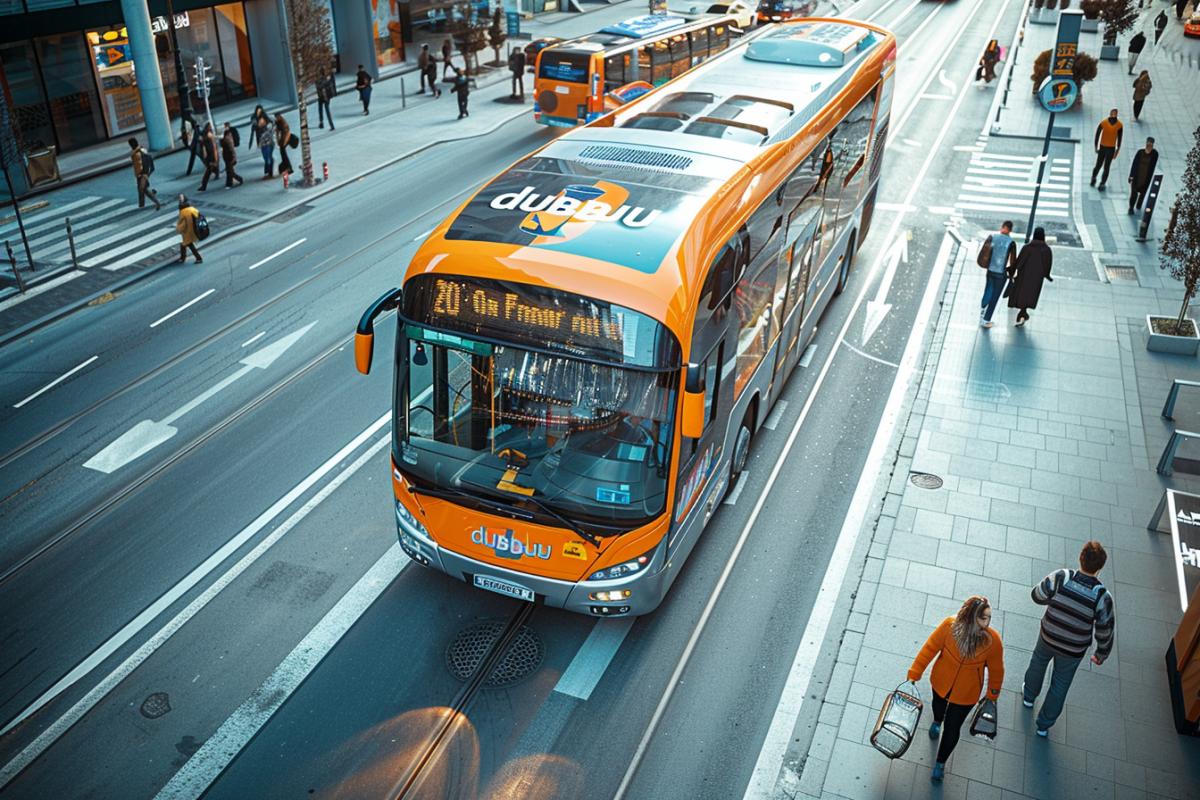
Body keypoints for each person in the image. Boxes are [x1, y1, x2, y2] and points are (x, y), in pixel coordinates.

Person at [1023, 541, 1115, 737]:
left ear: (1080, 558)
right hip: (1073, 649)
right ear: (1100, 568)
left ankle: (1029, 696)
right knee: (1060, 684)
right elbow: (1105, 628)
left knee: (1038, 663)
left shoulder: (1062, 577)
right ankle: (1043, 725)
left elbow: (1037, 595)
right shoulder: (1102, 595)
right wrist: (1101, 653)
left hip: (1048, 635)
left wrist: (1055, 601)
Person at [908, 596, 1004, 783]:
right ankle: (937, 720)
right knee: (938, 706)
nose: (987, 622)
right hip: (941, 682)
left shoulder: (992, 642)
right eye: (983, 618)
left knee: (952, 728)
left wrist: (992, 694)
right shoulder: (949, 627)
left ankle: (940, 763)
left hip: (967, 694)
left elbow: (996, 670)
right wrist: (914, 673)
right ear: (970, 617)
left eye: (989, 617)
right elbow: (929, 649)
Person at [1007, 227, 1053, 326]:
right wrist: (1047, 275)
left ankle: (1022, 315)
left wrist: (1012, 270)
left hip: (1024, 275)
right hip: (1037, 278)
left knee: (1022, 294)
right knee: (1030, 295)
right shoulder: (1047, 250)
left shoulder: (1027, 248)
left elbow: (1019, 261)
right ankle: (1023, 314)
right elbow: (1047, 264)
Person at [980, 220, 1016, 328]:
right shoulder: (1011, 243)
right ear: (1011, 230)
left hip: (990, 269)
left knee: (988, 289)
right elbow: (1013, 260)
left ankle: (983, 308)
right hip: (1001, 273)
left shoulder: (993, 237)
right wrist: (1012, 273)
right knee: (995, 296)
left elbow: (985, 252)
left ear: (1002, 227)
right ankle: (986, 319)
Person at [1091, 108, 1123, 190]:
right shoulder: (1104, 123)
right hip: (1103, 146)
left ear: (1117, 114)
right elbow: (1097, 134)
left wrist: (1117, 150)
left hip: (1111, 148)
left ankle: (1102, 183)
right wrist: (1096, 146)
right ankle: (1093, 178)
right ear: (1110, 113)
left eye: (1115, 113)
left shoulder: (1119, 125)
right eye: (1112, 113)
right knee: (1098, 165)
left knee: (1107, 167)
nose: (1113, 114)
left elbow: (1120, 138)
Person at [128, 137, 161, 211]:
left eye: (130, 144)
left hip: (143, 173)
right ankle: (142, 205)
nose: (130, 145)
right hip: (138, 174)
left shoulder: (142, 151)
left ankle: (156, 202)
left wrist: (146, 173)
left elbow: (147, 161)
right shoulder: (134, 152)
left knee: (142, 188)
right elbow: (132, 156)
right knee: (142, 190)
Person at [1128, 137, 1159, 214]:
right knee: (1133, 194)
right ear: (1146, 143)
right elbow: (1134, 164)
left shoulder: (1154, 154)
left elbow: (1153, 164)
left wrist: (1150, 151)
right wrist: (1131, 175)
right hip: (1137, 176)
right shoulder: (1140, 152)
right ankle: (1131, 207)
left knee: (1143, 193)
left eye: (1151, 144)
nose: (1149, 146)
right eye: (1148, 144)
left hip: (1146, 178)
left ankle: (1139, 204)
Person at [175, 194, 203, 263]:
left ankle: (198, 258)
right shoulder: (192, 209)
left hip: (188, 232)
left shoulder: (183, 212)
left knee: (188, 244)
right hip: (194, 229)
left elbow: (182, 224)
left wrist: (178, 229)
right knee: (184, 244)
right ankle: (183, 257)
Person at [198, 123, 220, 191]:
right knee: (210, 169)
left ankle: (203, 186)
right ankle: (217, 173)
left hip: (212, 157)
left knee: (208, 172)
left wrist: (215, 159)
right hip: (211, 156)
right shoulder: (207, 136)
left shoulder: (209, 138)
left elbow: (214, 149)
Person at [221, 123, 243, 188]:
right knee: (230, 170)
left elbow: (231, 148)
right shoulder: (226, 136)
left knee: (229, 170)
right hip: (227, 155)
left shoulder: (228, 137)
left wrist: (234, 157)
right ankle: (237, 180)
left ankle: (230, 183)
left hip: (229, 155)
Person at [255, 110, 275, 178]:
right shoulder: (260, 127)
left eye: (261, 120)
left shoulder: (268, 127)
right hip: (264, 145)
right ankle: (268, 173)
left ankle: (269, 173)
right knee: (266, 158)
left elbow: (270, 134)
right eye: (259, 121)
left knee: (267, 159)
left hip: (268, 144)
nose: (260, 122)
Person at [274, 113, 293, 178]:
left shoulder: (283, 123)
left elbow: (287, 133)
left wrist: (284, 142)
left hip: (284, 141)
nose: (276, 118)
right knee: (283, 155)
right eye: (275, 117)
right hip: (281, 141)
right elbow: (277, 132)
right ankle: (286, 167)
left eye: (277, 117)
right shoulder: (278, 122)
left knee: (284, 155)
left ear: (279, 116)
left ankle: (289, 168)